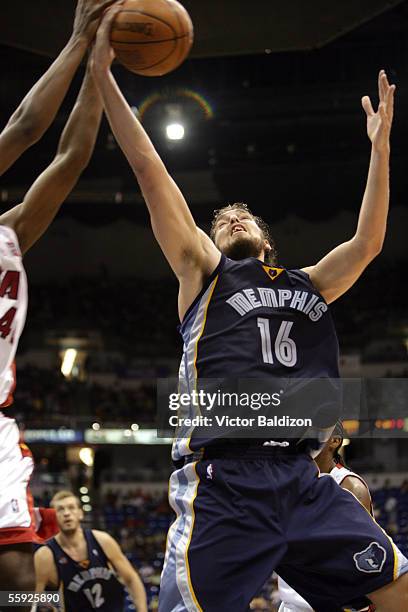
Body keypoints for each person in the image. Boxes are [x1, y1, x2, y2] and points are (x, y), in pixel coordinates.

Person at [91, 10, 408, 612]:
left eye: (242, 216)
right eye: (220, 219)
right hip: (225, 482)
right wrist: (105, 77)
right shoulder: (204, 271)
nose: (229, 218)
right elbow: (149, 172)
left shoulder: (309, 282)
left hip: (300, 478)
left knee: (398, 590)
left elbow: (368, 242)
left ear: (268, 241)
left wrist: (381, 146)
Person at [0, 0, 122, 598]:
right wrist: (79, 40)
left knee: (18, 580)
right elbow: (25, 128)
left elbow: (71, 159)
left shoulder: (9, 234)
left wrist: (98, 70)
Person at [277, 421, 408, 612]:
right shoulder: (291, 484)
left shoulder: (350, 486)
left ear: (334, 441)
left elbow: (361, 554)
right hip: (291, 604)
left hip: (332, 603)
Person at [34, 490, 148, 612]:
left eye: (71, 508)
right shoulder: (45, 555)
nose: (66, 513)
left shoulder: (102, 540)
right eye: (60, 509)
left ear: (80, 514)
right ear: (53, 517)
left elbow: (131, 578)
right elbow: (29, 598)